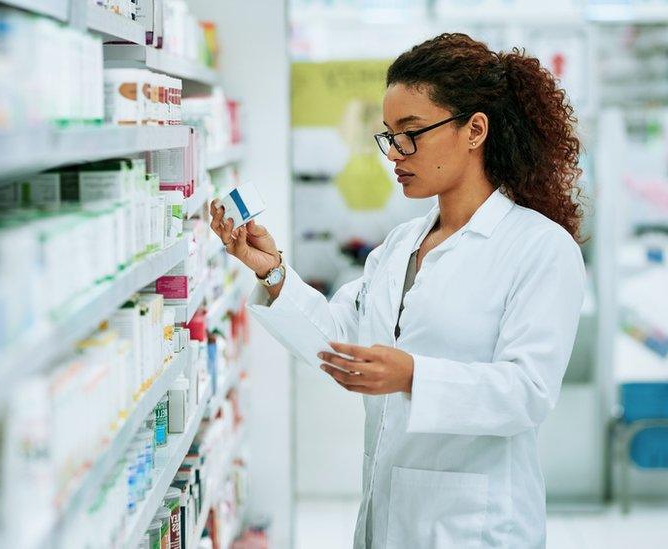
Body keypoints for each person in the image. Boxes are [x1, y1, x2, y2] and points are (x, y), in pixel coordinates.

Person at [210, 33, 585, 548]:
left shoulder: (540, 248)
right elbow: (342, 340)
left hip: (477, 528)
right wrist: (272, 272)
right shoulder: (402, 243)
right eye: (388, 135)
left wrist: (413, 376)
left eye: (411, 133)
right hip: (386, 519)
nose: (395, 154)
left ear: (475, 130)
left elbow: (528, 393)